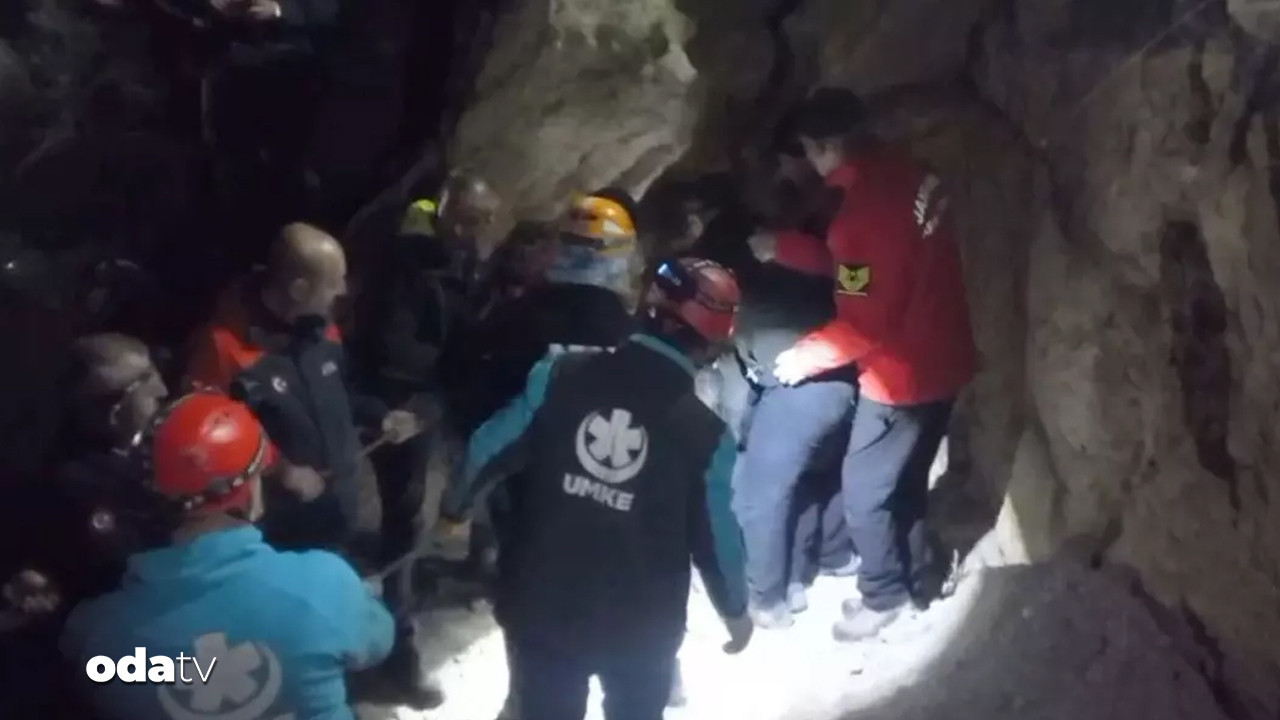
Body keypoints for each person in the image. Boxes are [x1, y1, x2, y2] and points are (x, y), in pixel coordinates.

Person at [437, 256, 753, 720]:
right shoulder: (707, 435)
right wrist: (735, 609)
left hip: (543, 603)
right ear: (712, 341)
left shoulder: (559, 374)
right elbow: (718, 535)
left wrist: (455, 508)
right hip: (641, 625)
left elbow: (488, 447)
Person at [59, 389, 394, 720]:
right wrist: (359, 598)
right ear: (247, 495)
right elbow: (379, 640)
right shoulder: (324, 583)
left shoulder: (98, 633)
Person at [780, 87, 976, 641]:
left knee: (864, 493)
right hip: (947, 353)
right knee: (907, 481)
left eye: (809, 151)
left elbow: (864, 320)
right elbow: (874, 269)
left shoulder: (859, 216)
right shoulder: (911, 173)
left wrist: (804, 356)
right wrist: (789, 248)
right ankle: (914, 577)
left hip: (901, 377)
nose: (809, 163)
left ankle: (883, 594)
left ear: (826, 147)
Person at [348, 173, 500, 708]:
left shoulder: (467, 264)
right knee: (403, 524)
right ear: (445, 212)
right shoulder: (408, 268)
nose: (474, 229)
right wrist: (424, 404)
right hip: (402, 410)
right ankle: (396, 657)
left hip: (434, 404)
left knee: (415, 517)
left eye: (484, 220)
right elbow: (396, 354)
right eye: (467, 218)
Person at [185, 222, 421, 551]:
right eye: (333, 283)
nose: (343, 291)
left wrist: (382, 417)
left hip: (336, 508)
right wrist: (280, 469)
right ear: (299, 289)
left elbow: (344, 393)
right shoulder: (225, 348)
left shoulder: (322, 330)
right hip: (278, 523)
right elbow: (206, 440)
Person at [0, 334, 172, 718]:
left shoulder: (157, 437)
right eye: (146, 380)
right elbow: (126, 563)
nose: (162, 389)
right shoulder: (74, 483)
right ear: (113, 409)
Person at [733, 230, 857, 629]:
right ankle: (833, 555)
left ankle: (768, 599)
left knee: (759, 494)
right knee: (821, 472)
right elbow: (849, 272)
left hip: (800, 386)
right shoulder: (827, 271)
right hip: (844, 378)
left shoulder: (746, 297)